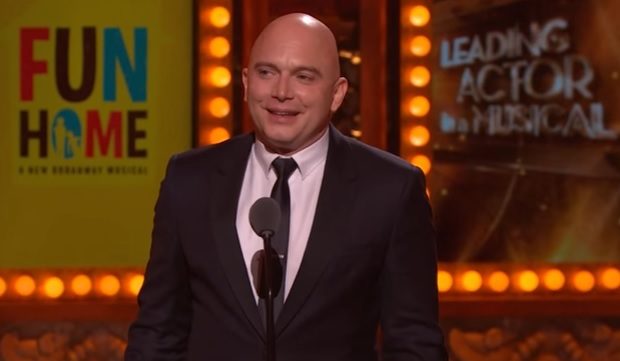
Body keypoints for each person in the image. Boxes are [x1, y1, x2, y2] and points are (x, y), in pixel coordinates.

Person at [125, 13, 447, 361]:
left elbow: (416, 344)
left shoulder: (391, 189)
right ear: (246, 81)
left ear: (337, 94)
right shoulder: (189, 179)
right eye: (266, 73)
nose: (281, 92)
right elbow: (157, 333)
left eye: (303, 77)